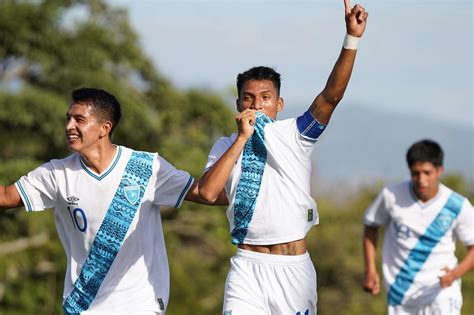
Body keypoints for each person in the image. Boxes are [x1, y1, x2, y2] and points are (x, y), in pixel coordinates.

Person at [197, 1, 368, 313]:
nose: (257, 105)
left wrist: (351, 39)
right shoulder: (225, 145)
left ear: (279, 104)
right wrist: (241, 140)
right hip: (247, 268)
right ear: (238, 104)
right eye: (249, 98)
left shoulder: (295, 135)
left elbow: (331, 96)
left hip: (293, 271)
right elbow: (208, 193)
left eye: (265, 98)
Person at [0, 87, 216, 314]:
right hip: (84, 304)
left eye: (79, 119)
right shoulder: (57, 173)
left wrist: (240, 145)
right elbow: (6, 196)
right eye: (69, 118)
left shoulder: (146, 167)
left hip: (139, 303)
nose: (69, 126)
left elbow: (207, 193)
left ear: (105, 128)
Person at [362, 139, 474, 315]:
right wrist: (370, 269)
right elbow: (371, 226)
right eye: (416, 173)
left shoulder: (457, 205)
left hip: (441, 292)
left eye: (427, 173)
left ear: (439, 171)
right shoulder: (391, 196)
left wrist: (455, 274)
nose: (421, 180)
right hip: (401, 294)